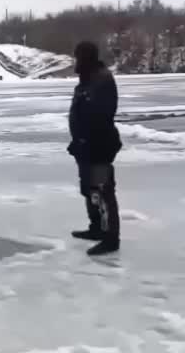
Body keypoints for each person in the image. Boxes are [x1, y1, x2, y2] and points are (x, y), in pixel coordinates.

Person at [67, 41, 123, 255]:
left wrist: (87, 140)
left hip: (98, 146)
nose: (76, 60)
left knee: (102, 190)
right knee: (90, 189)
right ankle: (97, 228)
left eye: (78, 56)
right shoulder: (88, 79)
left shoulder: (101, 80)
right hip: (85, 146)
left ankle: (111, 239)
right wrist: (79, 141)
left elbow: (101, 115)